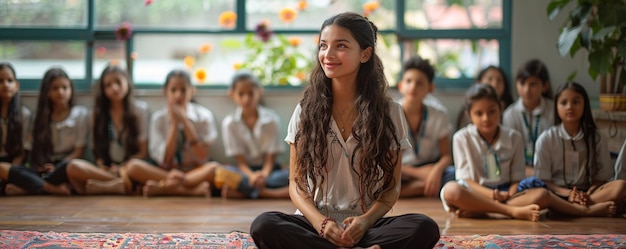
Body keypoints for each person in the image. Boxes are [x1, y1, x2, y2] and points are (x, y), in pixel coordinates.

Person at [250, 12, 440, 249]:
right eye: (323, 46)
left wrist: (365, 221)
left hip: (364, 226)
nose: (327, 55)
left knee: (424, 227)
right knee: (264, 225)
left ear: (365, 53)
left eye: (340, 46)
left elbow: (392, 187)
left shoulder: (390, 112)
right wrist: (321, 224)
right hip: (315, 224)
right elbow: (296, 184)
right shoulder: (304, 111)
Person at [441, 84, 547, 222]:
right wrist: (492, 195)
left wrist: (508, 194)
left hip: (506, 193)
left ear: (500, 108)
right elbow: (466, 180)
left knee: (541, 195)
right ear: (469, 115)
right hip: (476, 193)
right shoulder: (461, 138)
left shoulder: (514, 138)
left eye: (492, 111)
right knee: (451, 190)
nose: (486, 118)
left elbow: (516, 178)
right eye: (479, 113)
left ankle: (482, 210)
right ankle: (510, 211)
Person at [125, 69, 223, 197]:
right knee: (132, 167)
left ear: (192, 91)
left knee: (215, 169)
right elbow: (165, 160)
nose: (178, 95)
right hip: (165, 171)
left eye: (183, 90)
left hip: (195, 171)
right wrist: (174, 124)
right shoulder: (158, 118)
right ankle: (189, 191)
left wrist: (185, 121)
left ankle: (164, 188)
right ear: (165, 91)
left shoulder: (204, 116)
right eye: (173, 90)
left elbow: (202, 156)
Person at [533, 82, 625, 215]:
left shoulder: (596, 137)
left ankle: (580, 206)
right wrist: (569, 194)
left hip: (590, 193)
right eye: (563, 103)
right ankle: (588, 210)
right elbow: (544, 181)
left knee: (621, 186)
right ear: (556, 107)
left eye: (576, 102)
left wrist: (587, 195)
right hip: (559, 194)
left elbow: (602, 177)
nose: (570, 107)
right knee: (541, 195)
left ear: (585, 105)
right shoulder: (546, 139)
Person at [1, 67, 88, 195]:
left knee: (73, 168)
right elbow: (31, 150)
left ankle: (31, 188)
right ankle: (50, 188)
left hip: (65, 165)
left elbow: (79, 151)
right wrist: (41, 166)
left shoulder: (80, 114)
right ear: (47, 91)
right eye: (55, 88)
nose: (61, 92)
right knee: (4, 168)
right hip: (45, 168)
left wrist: (58, 167)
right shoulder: (40, 117)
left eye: (65, 87)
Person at [66, 65, 150, 195]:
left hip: (129, 167)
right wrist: (102, 167)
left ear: (127, 82)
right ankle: (119, 184)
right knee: (73, 167)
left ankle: (106, 186)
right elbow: (97, 152)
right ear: (102, 89)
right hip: (105, 170)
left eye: (118, 82)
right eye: (108, 85)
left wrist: (121, 168)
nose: (114, 88)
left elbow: (142, 153)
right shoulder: (95, 114)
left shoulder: (140, 110)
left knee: (135, 167)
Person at [220, 70, 289, 199]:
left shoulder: (271, 120)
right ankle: (266, 192)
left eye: (250, 94)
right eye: (241, 94)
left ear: (259, 92)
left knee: (293, 175)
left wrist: (263, 175)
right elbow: (240, 162)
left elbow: (270, 159)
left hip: (270, 171)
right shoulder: (230, 123)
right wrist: (252, 176)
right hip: (245, 171)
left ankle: (248, 192)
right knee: (222, 173)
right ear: (232, 94)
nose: (246, 99)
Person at [396, 56, 454, 198]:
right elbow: (385, 160)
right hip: (400, 169)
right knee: (379, 175)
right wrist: (418, 174)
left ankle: (408, 191)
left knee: (454, 174)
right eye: (408, 81)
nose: (413, 87)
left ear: (430, 88)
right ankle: (425, 187)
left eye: (420, 83)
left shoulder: (439, 114)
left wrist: (436, 171)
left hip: (430, 167)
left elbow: (446, 156)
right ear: (401, 85)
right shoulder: (389, 113)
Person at [502, 59, 554, 176]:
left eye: (533, 84)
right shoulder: (510, 114)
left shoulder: (553, 110)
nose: (526, 90)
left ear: (545, 86)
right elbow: (509, 154)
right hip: (520, 171)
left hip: (551, 169)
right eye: (522, 83)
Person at [0, 62, 34, 195]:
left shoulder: (24, 114)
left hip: (14, 164)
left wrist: (11, 171)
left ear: (16, 85)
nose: (5, 85)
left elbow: (22, 153)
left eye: (10, 80)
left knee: (33, 174)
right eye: (0, 81)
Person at [456, 65, 513, 130]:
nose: (495, 84)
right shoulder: (470, 107)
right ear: (479, 82)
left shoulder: (511, 109)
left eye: (499, 80)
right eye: (490, 79)